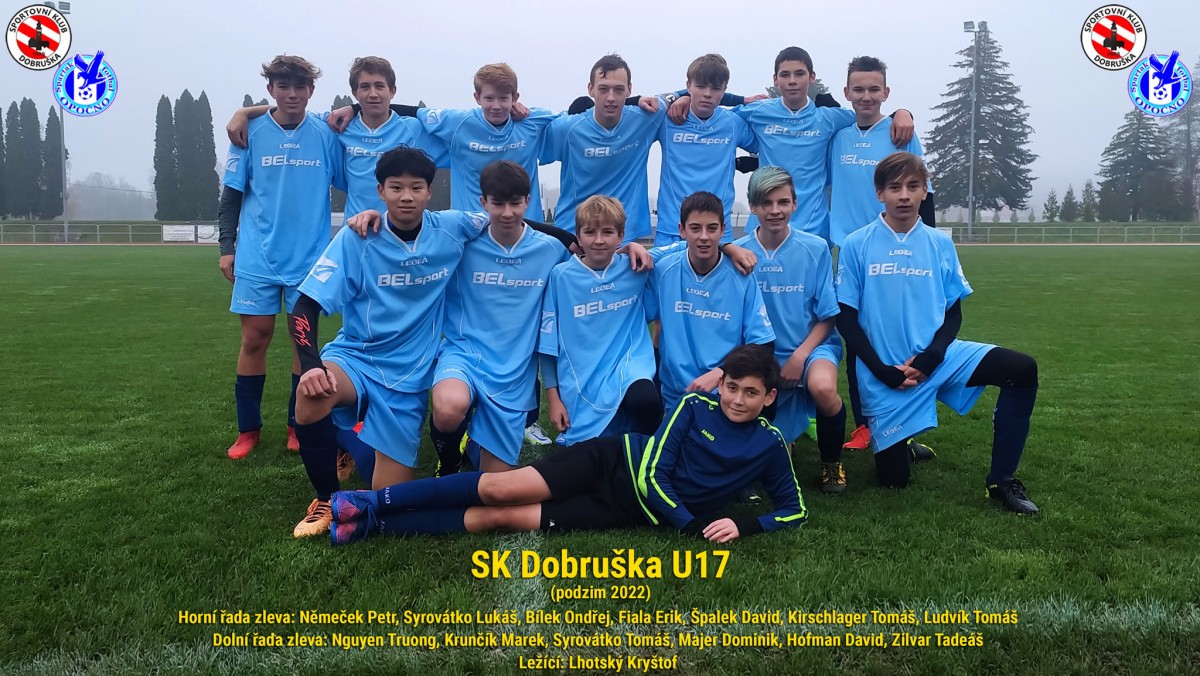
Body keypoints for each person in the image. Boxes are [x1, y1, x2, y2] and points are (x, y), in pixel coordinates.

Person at [326, 345, 807, 545]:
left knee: (501, 518)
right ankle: (369, 502)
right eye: (731, 388)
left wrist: (745, 524)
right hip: (611, 464)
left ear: (769, 399)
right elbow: (653, 475)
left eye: (750, 393)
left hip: (623, 511)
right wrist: (688, 522)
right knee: (498, 490)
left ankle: (372, 526)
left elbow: (794, 509)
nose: (737, 400)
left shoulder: (769, 444)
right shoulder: (694, 407)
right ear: (720, 385)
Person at [285, 147, 490, 537]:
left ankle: (346, 440)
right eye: (396, 187)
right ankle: (327, 499)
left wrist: (570, 241)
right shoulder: (358, 237)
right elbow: (304, 306)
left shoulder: (452, 227)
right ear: (380, 191)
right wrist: (310, 366)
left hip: (409, 378)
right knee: (312, 396)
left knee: (390, 498)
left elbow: (507, 216)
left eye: (416, 187)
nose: (406, 196)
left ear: (430, 191)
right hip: (357, 358)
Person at [835, 152, 1040, 514]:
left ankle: (1002, 480)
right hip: (887, 374)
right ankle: (903, 443)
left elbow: (953, 312)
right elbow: (846, 319)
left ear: (924, 192)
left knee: (1021, 369)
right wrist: (882, 371)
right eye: (894, 187)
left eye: (913, 186)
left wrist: (932, 356)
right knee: (894, 480)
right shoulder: (856, 244)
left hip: (939, 359)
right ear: (880, 193)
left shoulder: (939, 242)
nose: (904, 195)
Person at [218, 55, 344, 460]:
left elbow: (365, 117)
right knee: (254, 338)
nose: (292, 94)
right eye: (283, 86)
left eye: (300, 86)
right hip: (257, 256)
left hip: (309, 260)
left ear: (311, 90)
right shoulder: (249, 132)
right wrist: (226, 248)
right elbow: (231, 195)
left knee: (302, 342)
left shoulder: (325, 132)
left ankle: (296, 424)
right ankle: (248, 431)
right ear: (270, 89)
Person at [828, 55, 936, 453]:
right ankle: (864, 427)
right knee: (856, 336)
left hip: (895, 250)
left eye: (874, 89)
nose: (866, 96)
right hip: (851, 251)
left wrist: (926, 246)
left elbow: (923, 191)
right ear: (846, 93)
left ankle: (902, 429)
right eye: (858, 89)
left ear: (886, 93)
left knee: (899, 336)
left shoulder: (899, 132)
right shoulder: (837, 135)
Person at [225, 55, 448, 220]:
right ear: (355, 93)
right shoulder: (338, 125)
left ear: (392, 91)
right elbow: (292, 110)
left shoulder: (414, 130)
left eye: (379, 86)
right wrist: (244, 113)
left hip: (402, 229)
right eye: (365, 87)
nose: (373, 93)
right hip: (357, 233)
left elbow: (459, 148)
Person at [735, 167, 847, 493]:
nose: (775, 210)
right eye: (766, 203)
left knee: (823, 388)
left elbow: (828, 316)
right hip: (762, 354)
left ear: (795, 204)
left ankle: (831, 463)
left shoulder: (815, 247)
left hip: (812, 346)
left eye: (783, 202)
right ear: (753, 207)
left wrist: (800, 356)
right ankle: (782, 440)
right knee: (768, 455)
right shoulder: (739, 252)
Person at [539, 195, 662, 446]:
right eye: (590, 232)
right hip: (582, 379)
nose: (598, 240)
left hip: (628, 366)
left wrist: (728, 248)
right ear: (578, 235)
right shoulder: (561, 277)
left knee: (646, 402)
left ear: (621, 235)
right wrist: (553, 398)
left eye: (607, 232)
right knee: (589, 453)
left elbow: (687, 247)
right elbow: (548, 345)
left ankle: (639, 452)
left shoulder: (634, 267)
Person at [648, 192, 775, 415]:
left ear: (723, 229)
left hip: (725, 394)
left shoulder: (742, 275)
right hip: (677, 395)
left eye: (712, 228)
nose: (704, 237)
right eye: (695, 228)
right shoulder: (663, 271)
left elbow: (762, 345)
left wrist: (721, 373)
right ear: (681, 230)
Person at [539, 54, 666, 240]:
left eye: (619, 89)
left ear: (629, 89)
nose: (611, 97)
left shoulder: (646, 118)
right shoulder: (567, 128)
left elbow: (695, 90)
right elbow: (527, 137)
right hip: (573, 235)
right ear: (590, 89)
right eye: (603, 89)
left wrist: (681, 99)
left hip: (623, 236)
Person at [654, 54, 760, 246]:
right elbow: (651, 103)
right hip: (671, 230)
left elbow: (770, 147)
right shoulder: (667, 120)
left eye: (715, 88)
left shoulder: (733, 123)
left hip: (718, 233)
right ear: (688, 86)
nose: (707, 94)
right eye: (700, 86)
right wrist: (679, 97)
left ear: (724, 90)